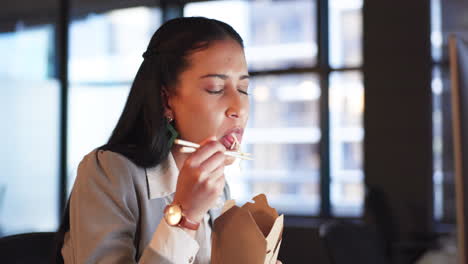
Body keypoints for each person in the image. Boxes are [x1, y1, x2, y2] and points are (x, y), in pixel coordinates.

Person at [56, 16, 282, 264]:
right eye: (216, 88)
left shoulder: (217, 184)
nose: (238, 108)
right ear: (166, 100)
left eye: (243, 89)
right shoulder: (109, 172)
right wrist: (186, 215)